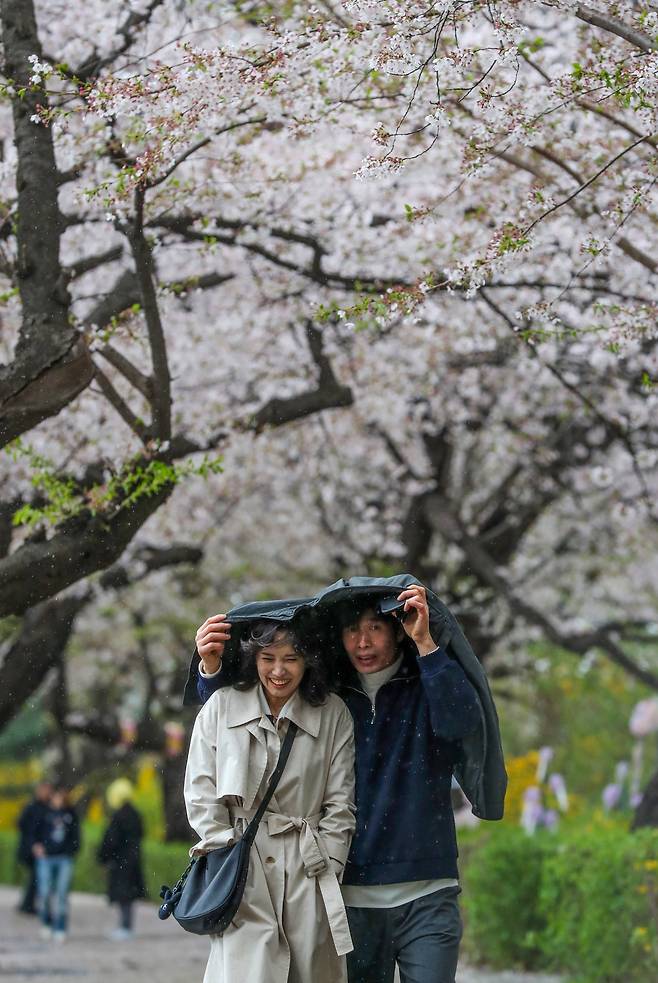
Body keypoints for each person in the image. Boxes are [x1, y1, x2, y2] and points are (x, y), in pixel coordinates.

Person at [195, 583, 490, 983]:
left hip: (427, 884)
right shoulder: (327, 691)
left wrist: (428, 644)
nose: (363, 642)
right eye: (352, 630)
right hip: (351, 893)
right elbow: (240, 719)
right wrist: (211, 672)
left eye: (375, 628)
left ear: (398, 629)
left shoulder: (428, 682)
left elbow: (462, 723)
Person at [184, 620, 356, 983]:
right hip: (241, 862)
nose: (279, 671)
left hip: (308, 868)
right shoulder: (221, 706)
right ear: (254, 658)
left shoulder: (332, 713)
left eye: (291, 659)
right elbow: (200, 790)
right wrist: (224, 856)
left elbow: (340, 804)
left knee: (309, 969)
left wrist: (330, 861)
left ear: (307, 661)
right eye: (268, 658)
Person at [97, 778, 146, 940]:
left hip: (120, 862)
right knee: (129, 896)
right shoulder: (136, 814)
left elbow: (111, 840)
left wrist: (103, 856)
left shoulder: (118, 816)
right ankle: (126, 926)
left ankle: (125, 927)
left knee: (123, 895)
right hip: (133, 860)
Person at [32, 784, 80, 942]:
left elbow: (76, 836)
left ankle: (60, 926)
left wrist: (71, 851)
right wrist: (36, 845)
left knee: (61, 893)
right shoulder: (43, 813)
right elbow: (33, 832)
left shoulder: (70, 814)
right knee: (44, 892)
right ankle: (46, 921)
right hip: (46, 858)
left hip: (64, 859)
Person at [16, 781, 53, 916]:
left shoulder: (47, 807)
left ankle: (28, 904)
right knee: (35, 878)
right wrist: (33, 844)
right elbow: (25, 827)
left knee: (35, 878)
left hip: (41, 848)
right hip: (31, 849)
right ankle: (28, 905)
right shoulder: (32, 807)